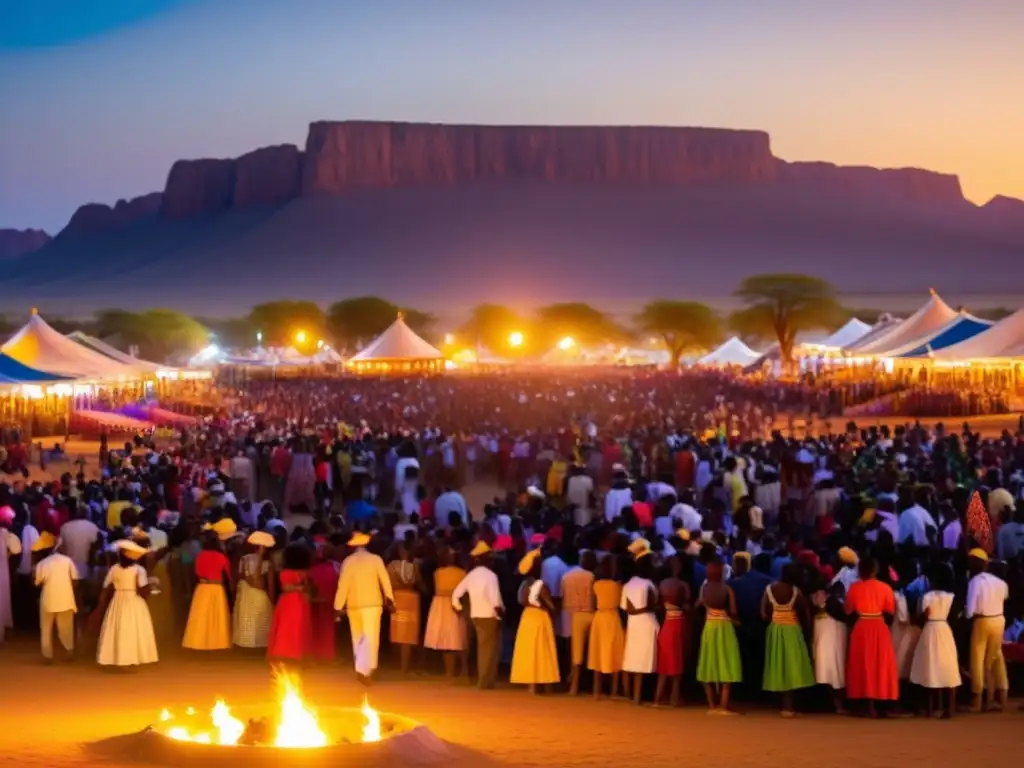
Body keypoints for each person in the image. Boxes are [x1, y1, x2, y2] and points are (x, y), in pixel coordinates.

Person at [334, 531, 394, 684]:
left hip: (354, 604)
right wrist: (390, 599)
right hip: (373, 604)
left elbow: (343, 585)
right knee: (371, 636)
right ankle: (369, 669)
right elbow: (385, 581)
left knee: (358, 637)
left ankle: (361, 669)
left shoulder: (348, 561)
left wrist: (338, 606)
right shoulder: (376, 559)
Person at [844, 556, 898, 717]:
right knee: (880, 663)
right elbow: (890, 612)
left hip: (862, 627)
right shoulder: (885, 588)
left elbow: (848, 610)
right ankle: (880, 699)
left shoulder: (854, 588)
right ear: (875, 570)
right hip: (879, 627)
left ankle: (865, 702)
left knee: (862, 663)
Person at [761, 564, 815, 715]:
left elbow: (763, 613)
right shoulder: (796, 592)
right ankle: (788, 706)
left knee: (778, 666)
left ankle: (780, 704)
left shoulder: (769, 590)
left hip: (775, 630)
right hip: (792, 631)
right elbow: (805, 613)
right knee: (792, 667)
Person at [95, 540, 159, 667]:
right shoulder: (139, 570)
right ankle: (132, 658)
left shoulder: (114, 569)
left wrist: (100, 606)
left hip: (117, 600)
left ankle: (116, 658)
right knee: (134, 630)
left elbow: (106, 587)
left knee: (117, 629)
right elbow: (142, 589)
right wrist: (151, 587)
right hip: (134, 600)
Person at [909, 563, 961, 718]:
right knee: (949, 667)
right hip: (944, 630)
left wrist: (920, 617)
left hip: (930, 630)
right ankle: (950, 708)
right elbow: (954, 617)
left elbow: (921, 618)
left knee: (929, 666)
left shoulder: (927, 597)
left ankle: (930, 709)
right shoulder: (951, 597)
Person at [451, 541, 504, 690]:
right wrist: (500, 615)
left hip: (475, 615)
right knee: (489, 650)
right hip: (490, 616)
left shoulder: (471, 575)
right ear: (485, 558)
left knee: (485, 648)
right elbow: (495, 600)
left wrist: (459, 609)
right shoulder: (491, 576)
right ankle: (484, 681)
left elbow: (456, 595)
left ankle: (487, 681)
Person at [510, 548, 560, 693]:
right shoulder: (541, 585)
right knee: (543, 650)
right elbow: (551, 606)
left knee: (529, 650)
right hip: (540, 617)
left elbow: (521, 600)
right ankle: (546, 684)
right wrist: (553, 610)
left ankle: (531, 685)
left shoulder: (523, 585)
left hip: (527, 618)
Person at [696, 556, 742, 713]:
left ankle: (711, 705)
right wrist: (737, 622)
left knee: (708, 662)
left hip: (709, 626)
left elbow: (699, 604)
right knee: (727, 662)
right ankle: (724, 705)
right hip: (724, 627)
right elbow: (734, 611)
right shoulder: (727, 588)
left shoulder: (704, 588)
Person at [965, 548, 1008, 712]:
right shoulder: (1000, 582)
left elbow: (970, 611)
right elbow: (1004, 598)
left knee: (977, 659)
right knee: (997, 657)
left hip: (982, 621)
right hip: (999, 620)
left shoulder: (975, 582)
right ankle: (1001, 697)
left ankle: (978, 700)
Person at [182, 523, 235, 651]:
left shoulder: (200, 556)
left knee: (201, 617)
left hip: (202, 588)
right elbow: (229, 576)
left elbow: (196, 572)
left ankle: (197, 644)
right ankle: (217, 644)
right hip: (217, 589)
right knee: (217, 618)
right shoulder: (222, 557)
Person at [620, 539, 660, 704]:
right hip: (647, 623)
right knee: (646, 661)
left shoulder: (628, 585)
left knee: (632, 660)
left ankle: (632, 696)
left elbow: (626, 607)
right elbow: (653, 605)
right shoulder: (649, 584)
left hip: (633, 624)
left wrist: (635, 611)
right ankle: (641, 696)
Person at [33, 533, 78, 663]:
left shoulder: (42, 563)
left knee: (46, 627)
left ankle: (47, 655)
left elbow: (37, 582)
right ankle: (69, 651)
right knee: (66, 627)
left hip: (48, 598)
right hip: (66, 598)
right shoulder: (68, 561)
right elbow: (75, 580)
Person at [424, 545, 468, 678]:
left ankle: (461, 671)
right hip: (445, 605)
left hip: (450, 604)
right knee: (449, 639)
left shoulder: (459, 573)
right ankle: (452, 672)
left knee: (457, 639)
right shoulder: (440, 573)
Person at [655, 553, 691, 707]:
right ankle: (674, 698)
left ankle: (659, 698)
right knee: (677, 662)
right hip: (677, 623)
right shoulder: (683, 585)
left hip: (667, 623)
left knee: (664, 663)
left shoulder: (662, 584)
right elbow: (688, 604)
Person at [587, 556, 625, 700]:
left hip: (599, 617)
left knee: (597, 653)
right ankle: (614, 691)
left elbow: (593, 601)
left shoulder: (596, 584)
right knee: (615, 652)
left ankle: (597, 691)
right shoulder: (618, 585)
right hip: (613, 617)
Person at [268, 543, 313, 663]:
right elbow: (291, 587)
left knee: (286, 628)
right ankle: (296, 653)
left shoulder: (284, 572)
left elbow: (285, 587)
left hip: (287, 601)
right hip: (299, 601)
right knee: (297, 628)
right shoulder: (304, 572)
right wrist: (301, 589)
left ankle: (285, 652)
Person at [233, 531, 276, 650]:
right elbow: (268, 584)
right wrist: (272, 602)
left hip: (246, 593)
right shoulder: (267, 563)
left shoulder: (244, 559)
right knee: (257, 618)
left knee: (248, 618)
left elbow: (241, 576)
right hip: (256, 593)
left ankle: (245, 644)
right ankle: (258, 645)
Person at [562, 550, 596, 696]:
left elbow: (563, 596)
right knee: (592, 651)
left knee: (576, 651)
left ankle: (574, 686)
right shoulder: (591, 576)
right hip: (590, 613)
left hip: (573, 614)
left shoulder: (566, 576)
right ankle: (591, 686)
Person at [811, 577, 848, 713]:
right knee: (836, 669)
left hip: (822, 638)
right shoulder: (833, 602)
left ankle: (830, 703)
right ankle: (838, 705)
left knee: (824, 667)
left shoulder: (813, 602)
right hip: (834, 638)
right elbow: (844, 615)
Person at [387, 540, 423, 675]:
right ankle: (404, 668)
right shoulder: (413, 565)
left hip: (397, 598)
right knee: (407, 636)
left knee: (397, 634)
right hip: (410, 600)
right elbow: (419, 582)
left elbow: (387, 584)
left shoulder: (391, 566)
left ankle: (398, 666)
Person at [308, 540, 341, 662]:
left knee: (316, 629)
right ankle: (327, 656)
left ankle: (315, 656)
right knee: (328, 630)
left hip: (315, 602)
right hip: (330, 602)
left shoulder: (312, 568)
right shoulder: (336, 566)